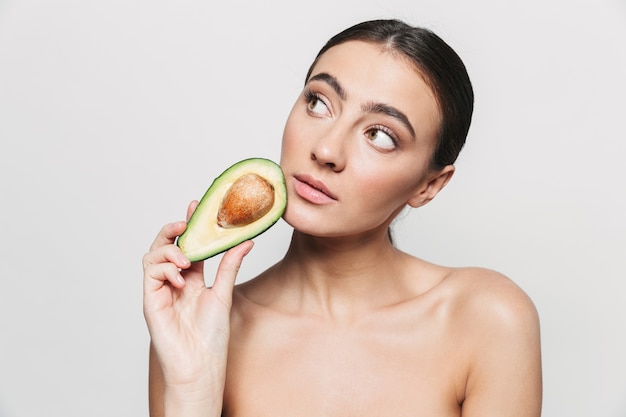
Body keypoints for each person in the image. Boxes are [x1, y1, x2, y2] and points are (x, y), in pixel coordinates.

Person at [142, 18, 542, 417]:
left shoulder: (487, 319)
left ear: (430, 186)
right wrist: (191, 392)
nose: (327, 149)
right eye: (318, 103)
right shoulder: (202, 326)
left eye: (381, 135)